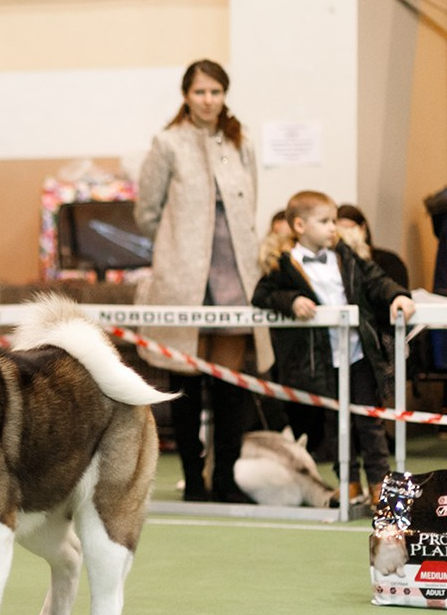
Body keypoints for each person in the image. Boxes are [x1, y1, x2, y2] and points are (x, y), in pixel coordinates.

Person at [134, 59, 270, 503]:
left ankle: (225, 478)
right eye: (200, 92)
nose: (208, 100)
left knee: (231, 384)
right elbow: (147, 211)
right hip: (183, 279)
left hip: (235, 278)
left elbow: (249, 207)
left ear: (224, 95)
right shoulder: (167, 142)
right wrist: (178, 249)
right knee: (186, 384)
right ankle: (194, 480)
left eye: (215, 92)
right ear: (186, 96)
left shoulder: (241, 142)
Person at [251, 190, 415, 506]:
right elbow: (262, 295)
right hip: (323, 360)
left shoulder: (347, 256)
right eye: (324, 221)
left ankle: (381, 483)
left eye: (333, 220)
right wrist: (292, 300)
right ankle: (349, 482)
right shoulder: (283, 265)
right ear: (299, 225)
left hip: (357, 354)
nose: (332, 227)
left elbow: (376, 280)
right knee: (335, 423)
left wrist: (398, 295)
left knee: (370, 420)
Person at [336, 203, 410, 289]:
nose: (346, 234)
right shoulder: (335, 265)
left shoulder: (389, 261)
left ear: (363, 228)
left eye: (350, 228)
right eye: (340, 229)